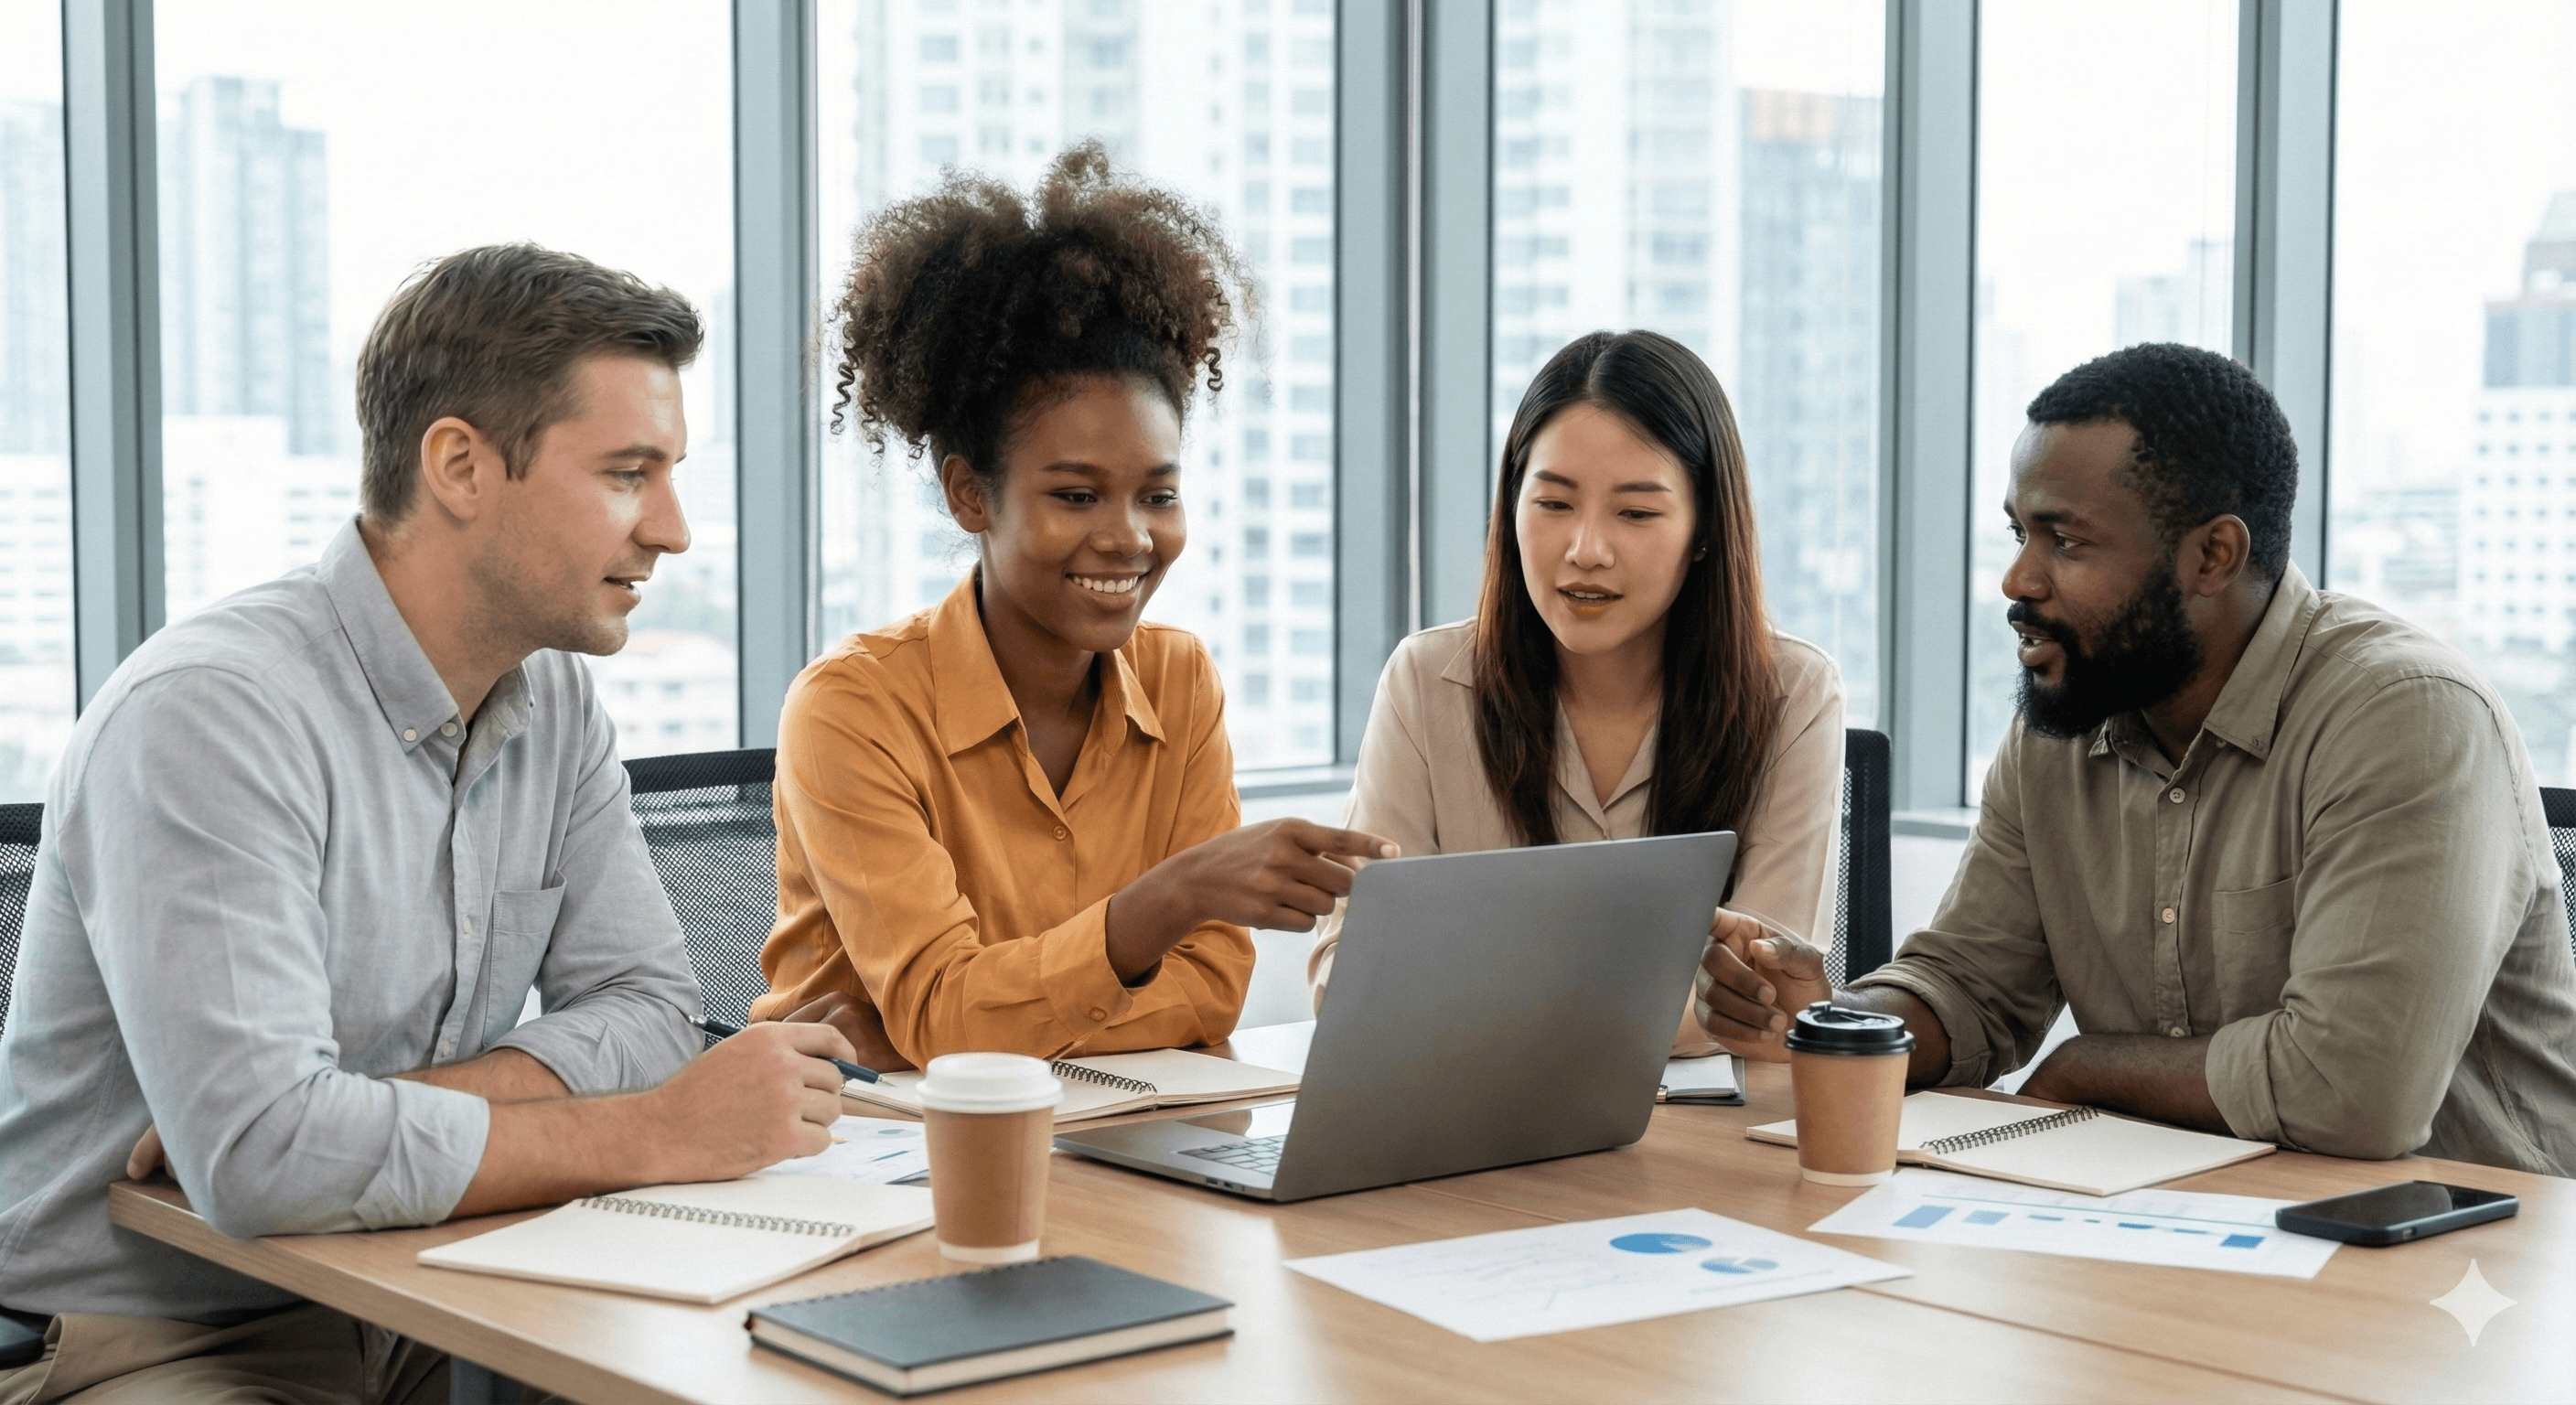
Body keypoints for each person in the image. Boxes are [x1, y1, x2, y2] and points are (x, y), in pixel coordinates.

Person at [0, 245, 863, 1402]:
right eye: (626, 473)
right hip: (159, 1333)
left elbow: (653, 1010)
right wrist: (661, 1134)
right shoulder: (208, 717)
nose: (672, 529)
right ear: (459, 465)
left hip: (435, 1281)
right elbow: (263, 1167)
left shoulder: (552, 701)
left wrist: (380, 1114)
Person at [1705, 341, 2576, 1174]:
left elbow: (2353, 1093)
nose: (2018, 581)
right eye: (2019, 535)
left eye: (2066, 542)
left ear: (2211, 556)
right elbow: (1972, 987)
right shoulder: (2065, 721)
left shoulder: (2407, 717)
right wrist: (1839, 1021)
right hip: (2187, 1225)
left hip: (2467, 1255)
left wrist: (2086, 1070)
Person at [750, 145, 1395, 1070]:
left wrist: (918, 1033)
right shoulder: (852, 708)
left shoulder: (1177, 681)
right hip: (872, 1150)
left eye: (1157, 495)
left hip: (1098, 1135)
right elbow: (951, 1017)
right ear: (972, 496)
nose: (1129, 538)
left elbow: (1209, 988)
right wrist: (1163, 904)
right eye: (1077, 495)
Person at [1307, 330, 1847, 1061]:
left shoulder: (1794, 694)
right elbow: (1351, 975)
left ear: (1704, 531)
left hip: (1697, 1140)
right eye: (1554, 503)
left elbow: (1754, 996)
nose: (1586, 548)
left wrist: (1470, 992)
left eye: (1636, 513)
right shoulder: (1426, 680)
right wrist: (1652, 999)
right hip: (1474, 1123)